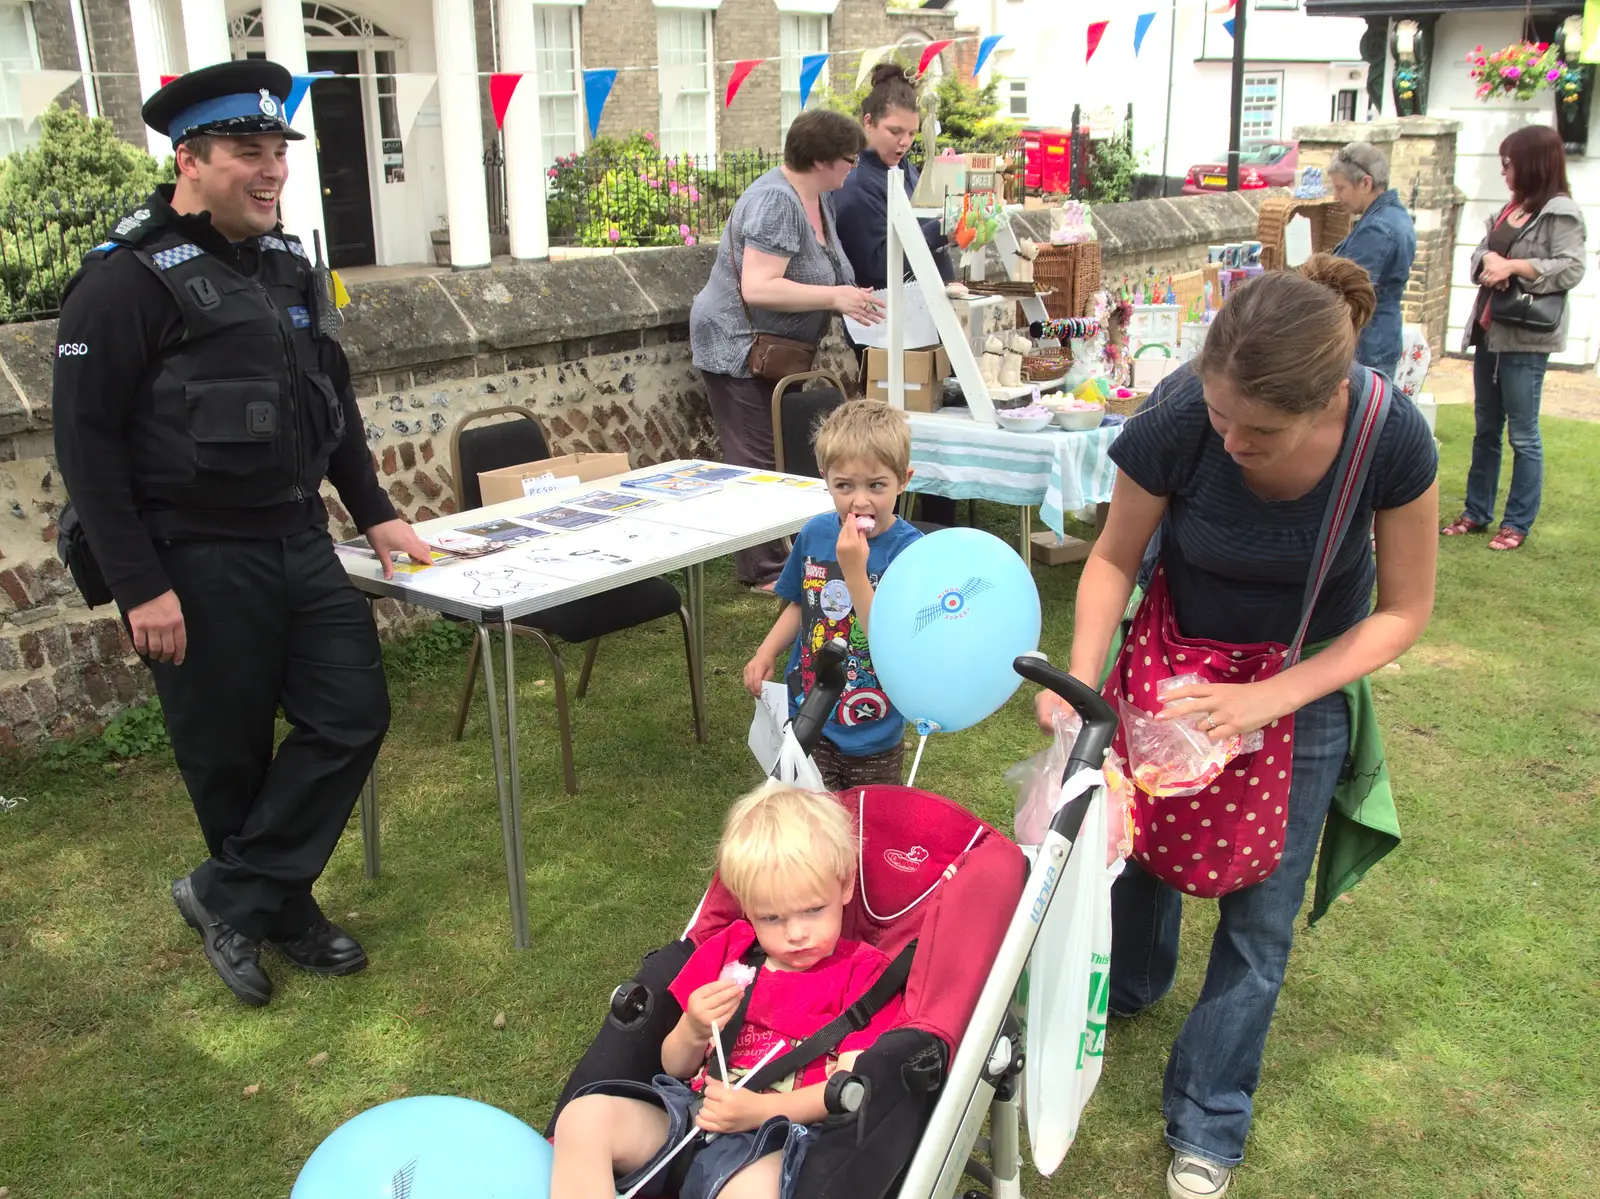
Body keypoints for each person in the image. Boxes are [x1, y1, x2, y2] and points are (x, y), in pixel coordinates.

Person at [1035, 256, 1438, 1199]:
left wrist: (1273, 697)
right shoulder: (1183, 412)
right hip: (1170, 665)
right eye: (1220, 416)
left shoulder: (1388, 436)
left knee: (1259, 917)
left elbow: (1404, 610)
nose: (1231, 438)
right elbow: (1112, 557)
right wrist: (1083, 680)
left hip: (1300, 692)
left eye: (1258, 429)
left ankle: (1210, 1114)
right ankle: (1127, 986)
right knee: (1132, 852)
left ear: (1329, 397)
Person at [50, 61, 431, 1007]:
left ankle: (227, 894)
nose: (270, 172)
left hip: (298, 538)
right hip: (191, 554)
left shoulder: (285, 263)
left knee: (351, 712)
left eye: (277, 154)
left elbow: (328, 399)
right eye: (246, 154)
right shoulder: (123, 281)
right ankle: (283, 911)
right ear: (190, 159)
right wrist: (141, 585)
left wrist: (374, 508)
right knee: (226, 752)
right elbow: (85, 448)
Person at [551, 784, 904, 1199]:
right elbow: (676, 1064)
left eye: (813, 910)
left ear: (844, 887)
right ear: (748, 909)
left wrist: (758, 1111)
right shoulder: (730, 951)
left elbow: (851, 1088)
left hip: (781, 1137)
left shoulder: (864, 977)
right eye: (772, 918)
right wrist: (694, 1028)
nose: (795, 934)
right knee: (584, 1117)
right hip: (691, 1114)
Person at [689, 109, 882, 592]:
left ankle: (783, 559)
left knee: (778, 453)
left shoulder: (819, 197)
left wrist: (853, 294)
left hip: (776, 348)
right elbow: (758, 286)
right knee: (752, 460)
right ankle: (764, 571)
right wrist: (835, 298)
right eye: (848, 159)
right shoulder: (775, 201)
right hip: (737, 346)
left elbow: (824, 269)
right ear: (820, 160)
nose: (853, 168)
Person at [744, 400, 921, 791]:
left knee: (867, 823)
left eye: (876, 485)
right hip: (808, 713)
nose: (859, 502)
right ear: (825, 478)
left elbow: (892, 641)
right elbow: (799, 604)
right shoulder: (814, 534)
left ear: (903, 480)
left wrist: (856, 571)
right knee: (809, 819)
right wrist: (766, 651)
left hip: (872, 726)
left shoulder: (911, 553)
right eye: (844, 486)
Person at [1441, 124, 1586, 552]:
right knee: (1486, 429)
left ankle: (1516, 524)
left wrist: (1514, 267)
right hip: (1489, 332)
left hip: (1525, 340)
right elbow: (1481, 251)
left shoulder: (1561, 212)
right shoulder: (1512, 208)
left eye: (1508, 163)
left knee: (1523, 435)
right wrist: (1487, 257)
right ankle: (1476, 512)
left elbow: (1571, 267)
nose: (1504, 172)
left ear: (1532, 164)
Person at [833, 62, 957, 528]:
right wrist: (940, 232)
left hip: (917, 316)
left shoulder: (901, 169)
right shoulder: (854, 185)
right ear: (867, 123)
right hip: (880, 323)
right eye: (894, 132)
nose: (903, 142)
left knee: (930, 419)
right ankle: (905, 520)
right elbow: (879, 260)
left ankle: (937, 516)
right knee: (898, 432)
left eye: (910, 133)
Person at [1328, 141, 1416, 378]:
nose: (1337, 197)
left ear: (1366, 183)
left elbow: (1343, 286)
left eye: (1341, 188)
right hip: (1378, 337)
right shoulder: (1394, 215)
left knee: (1360, 414)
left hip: (1368, 343)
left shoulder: (1378, 228)